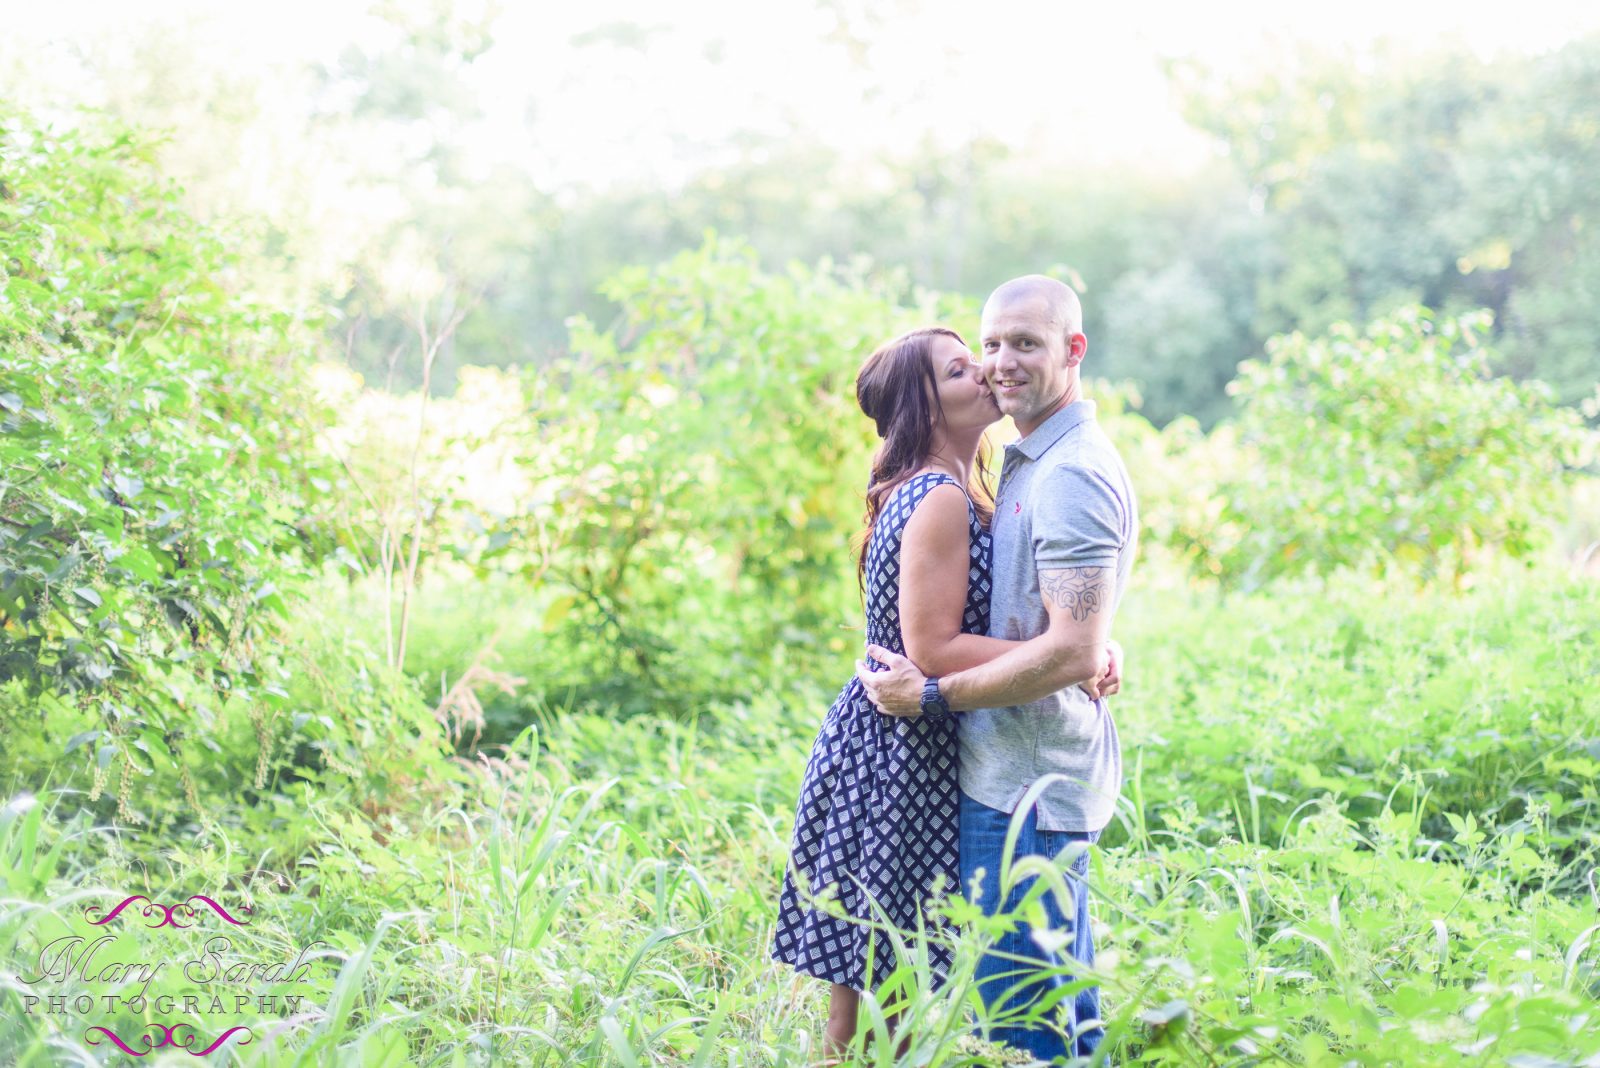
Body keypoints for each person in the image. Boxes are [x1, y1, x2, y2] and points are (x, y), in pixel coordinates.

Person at [769, 325, 1119, 1057]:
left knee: (886, 983)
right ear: (925, 408)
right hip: (897, 755)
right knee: (877, 992)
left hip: (904, 745)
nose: (987, 373)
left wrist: (1080, 642)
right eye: (961, 370)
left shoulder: (961, 488)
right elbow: (930, 649)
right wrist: (1069, 656)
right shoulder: (939, 498)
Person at [857, 275, 1138, 1061]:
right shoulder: (1020, 459)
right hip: (1006, 772)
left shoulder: (1072, 470)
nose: (998, 365)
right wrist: (1081, 644)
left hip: (1031, 786)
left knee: (1024, 1027)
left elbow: (1069, 647)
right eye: (989, 345)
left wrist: (936, 693)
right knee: (1046, 1013)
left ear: (1073, 350)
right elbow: (1060, 631)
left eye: (1025, 344)